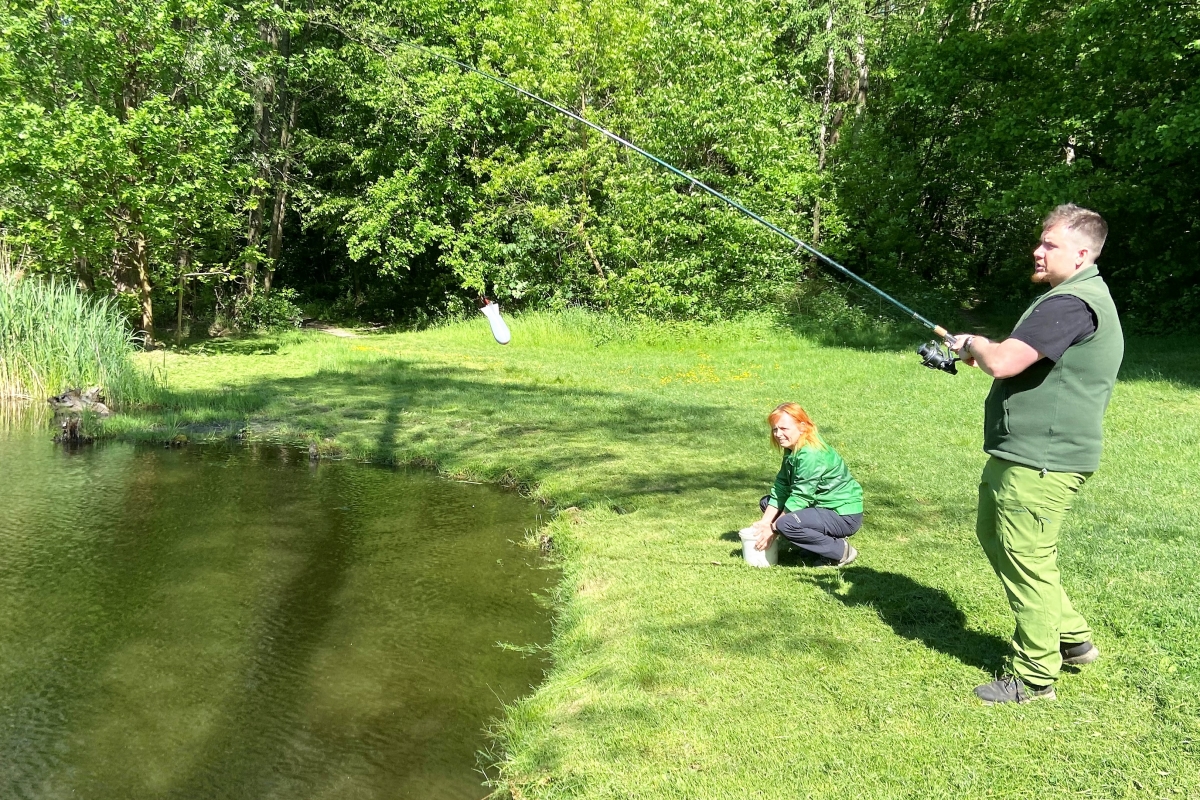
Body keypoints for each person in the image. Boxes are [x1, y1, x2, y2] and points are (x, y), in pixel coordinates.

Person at [950, 203, 1124, 705]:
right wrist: (975, 349)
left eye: (1050, 244)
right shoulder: (1073, 297)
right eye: (1041, 241)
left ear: (1082, 252)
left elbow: (1003, 361)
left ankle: (1035, 677)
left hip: (1042, 461)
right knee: (1000, 539)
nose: (1038, 250)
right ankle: (1073, 640)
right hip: (1024, 454)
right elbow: (1012, 361)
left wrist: (980, 343)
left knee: (1027, 559)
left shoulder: (1071, 303)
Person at [750, 403, 864, 566]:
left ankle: (841, 551)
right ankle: (816, 546)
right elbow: (782, 486)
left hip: (842, 515)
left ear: (802, 427)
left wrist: (773, 528)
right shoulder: (793, 448)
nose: (778, 434)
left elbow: (800, 496)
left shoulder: (811, 454)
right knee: (768, 504)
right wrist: (765, 522)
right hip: (820, 507)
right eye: (775, 429)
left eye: (784, 428)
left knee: (784, 523)